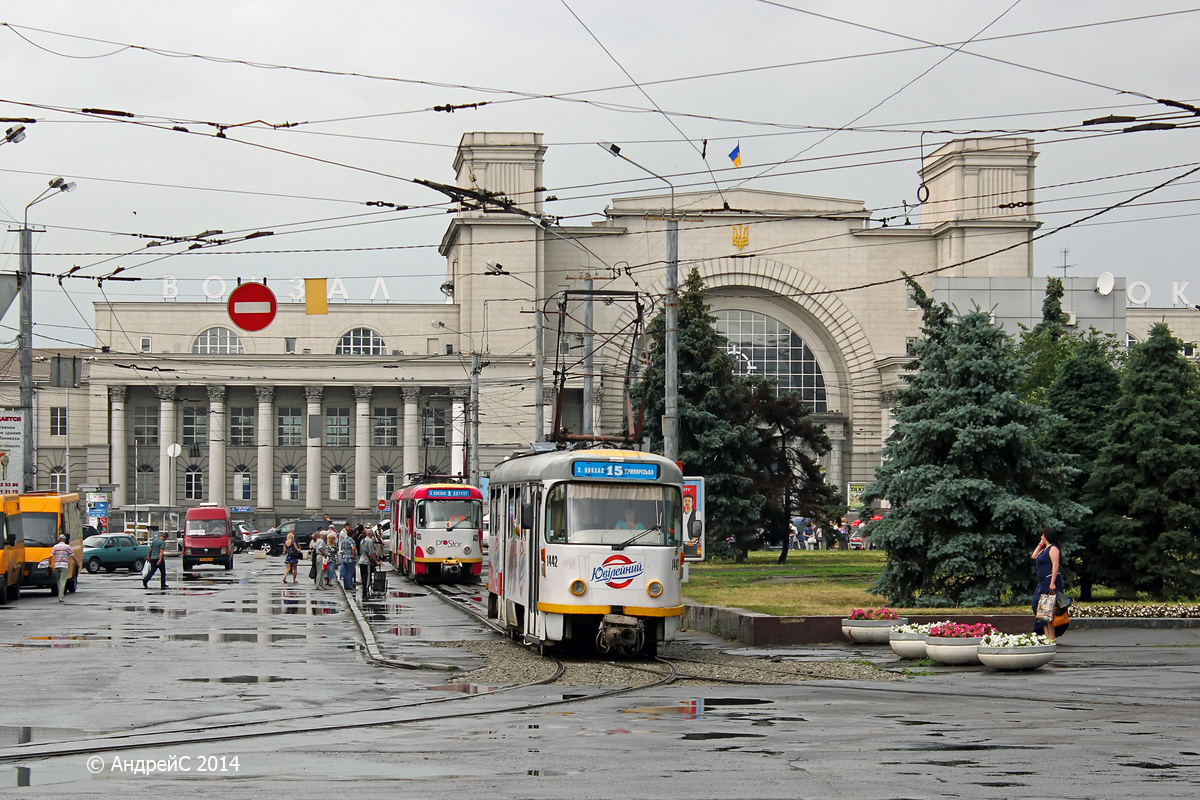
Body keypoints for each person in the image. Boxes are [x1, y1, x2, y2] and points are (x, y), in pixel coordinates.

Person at [1031, 526, 1063, 642]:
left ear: (1047, 536)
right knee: (1037, 606)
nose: (1041, 537)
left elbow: (1055, 565)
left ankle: (1051, 636)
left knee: (1048, 609)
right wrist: (1040, 544)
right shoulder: (1044, 549)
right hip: (1042, 582)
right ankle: (1046, 634)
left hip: (1050, 581)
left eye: (1042, 535)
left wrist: (1053, 582)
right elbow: (1034, 556)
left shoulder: (1053, 549)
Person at [50, 533, 75, 602]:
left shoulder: (55, 547)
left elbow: (51, 556)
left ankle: (59, 595)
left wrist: (49, 564)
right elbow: (72, 556)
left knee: (58, 581)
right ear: (64, 540)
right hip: (64, 565)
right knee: (63, 581)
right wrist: (76, 562)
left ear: (59, 540)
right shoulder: (67, 547)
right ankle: (61, 597)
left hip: (56, 565)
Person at [358, 533, 378, 603]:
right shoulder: (370, 541)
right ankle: (365, 592)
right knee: (367, 577)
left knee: (363, 576)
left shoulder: (362, 540)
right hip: (367, 562)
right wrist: (376, 561)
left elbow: (360, 551)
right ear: (371, 534)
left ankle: (364, 591)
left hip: (361, 560)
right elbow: (371, 553)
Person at [338, 523, 357, 591]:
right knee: (350, 572)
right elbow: (353, 548)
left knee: (345, 572)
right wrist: (353, 555)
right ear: (352, 535)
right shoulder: (351, 540)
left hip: (344, 557)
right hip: (350, 558)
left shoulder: (344, 540)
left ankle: (345, 585)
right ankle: (349, 585)